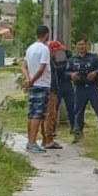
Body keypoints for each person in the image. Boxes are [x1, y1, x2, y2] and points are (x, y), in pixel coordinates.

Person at [65, 37, 98, 141]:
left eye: (83, 44)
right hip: (79, 88)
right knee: (78, 111)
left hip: (93, 88)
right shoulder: (72, 60)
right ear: (76, 47)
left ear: (87, 46)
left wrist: (95, 73)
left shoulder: (94, 58)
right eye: (79, 45)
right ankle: (77, 134)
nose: (81, 47)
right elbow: (66, 72)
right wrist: (71, 74)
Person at [20, 25, 52, 153]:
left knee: (32, 113)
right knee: (37, 115)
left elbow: (24, 66)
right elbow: (42, 68)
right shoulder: (44, 49)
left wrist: (28, 80)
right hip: (41, 84)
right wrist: (32, 81)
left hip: (33, 85)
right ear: (46, 34)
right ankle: (32, 142)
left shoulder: (30, 48)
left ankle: (30, 141)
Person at [53, 41, 76, 135]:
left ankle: (74, 127)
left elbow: (72, 67)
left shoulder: (68, 58)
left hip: (67, 83)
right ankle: (52, 129)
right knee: (54, 108)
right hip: (56, 84)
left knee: (72, 106)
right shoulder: (52, 59)